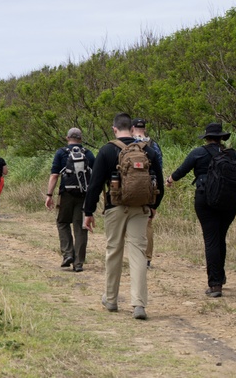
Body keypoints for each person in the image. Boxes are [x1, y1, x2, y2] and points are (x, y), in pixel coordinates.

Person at [84, 113, 164, 321]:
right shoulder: (147, 150)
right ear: (131, 127)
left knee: (114, 250)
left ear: (115, 129)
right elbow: (160, 183)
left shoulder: (107, 150)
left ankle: (111, 299)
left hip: (114, 207)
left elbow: (94, 184)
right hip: (140, 207)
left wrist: (88, 212)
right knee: (138, 253)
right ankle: (139, 304)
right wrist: (153, 206)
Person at [166, 123, 236, 297]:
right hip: (229, 202)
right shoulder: (232, 155)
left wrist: (170, 179)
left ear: (207, 137)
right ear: (221, 138)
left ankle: (215, 284)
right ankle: (221, 275)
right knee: (220, 237)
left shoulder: (198, 153)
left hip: (205, 200)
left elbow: (180, 171)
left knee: (211, 240)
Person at [45, 128, 95, 272]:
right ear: (80, 138)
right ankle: (78, 263)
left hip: (66, 194)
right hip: (83, 195)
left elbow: (54, 175)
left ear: (67, 138)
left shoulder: (61, 153)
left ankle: (68, 254)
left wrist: (49, 195)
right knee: (80, 228)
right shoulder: (88, 153)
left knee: (62, 222)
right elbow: (95, 175)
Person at [131, 119, 163, 268]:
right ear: (145, 128)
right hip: (150, 187)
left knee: (128, 220)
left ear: (132, 128)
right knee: (148, 221)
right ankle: (147, 258)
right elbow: (159, 169)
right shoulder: (153, 145)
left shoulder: (128, 143)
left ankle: (134, 255)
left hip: (130, 186)